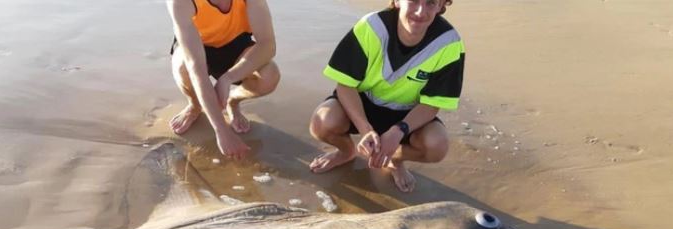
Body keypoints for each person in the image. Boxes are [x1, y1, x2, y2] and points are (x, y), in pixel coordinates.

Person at [308, 0, 464, 192]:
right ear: (397, 1)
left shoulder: (449, 43)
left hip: (407, 114)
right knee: (321, 123)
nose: (420, 11)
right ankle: (346, 152)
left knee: (437, 146)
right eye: (413, 1)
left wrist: (399, 131)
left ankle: (394, 160)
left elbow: (431, 105)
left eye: (431, 3)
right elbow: (345, 85)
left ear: (441, 6)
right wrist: (365, 129)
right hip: (362, 103)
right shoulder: (372, 27)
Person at [167, 0, 280, 159]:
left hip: (236, 43)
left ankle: (233, 102)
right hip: (198, 45)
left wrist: (227, 79)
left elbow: (268, 46)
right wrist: (221, 130)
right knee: (183, 66)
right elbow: (196, 68)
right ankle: (194, 105)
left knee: (269, 75)